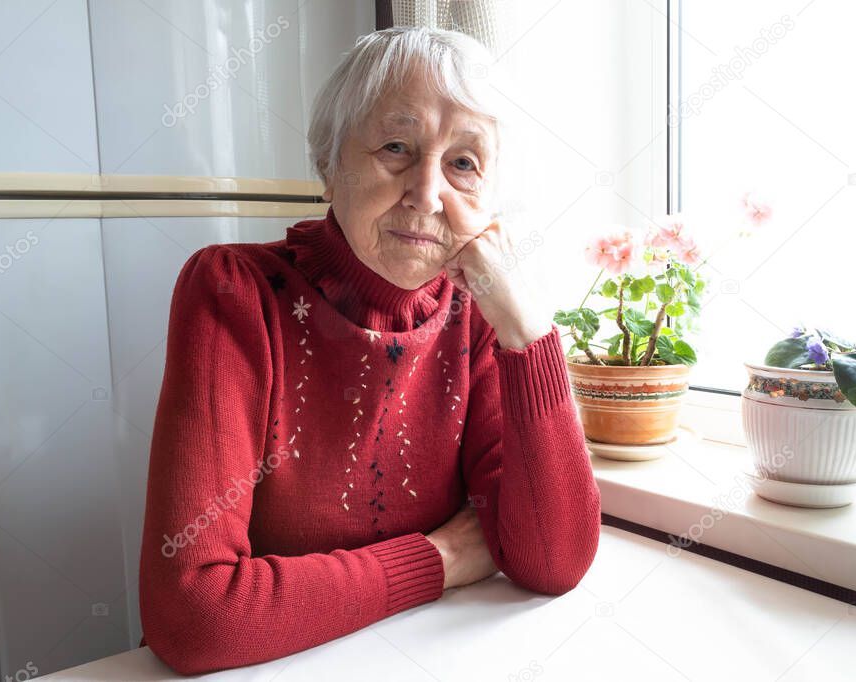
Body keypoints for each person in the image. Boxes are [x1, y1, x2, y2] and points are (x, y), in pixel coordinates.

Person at [138, 26, 601, 675]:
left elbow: (552, 563)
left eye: (463, 163)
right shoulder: (235, 292)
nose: (428, 193)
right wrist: (440, 560)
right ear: (330, 166)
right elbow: (196, 618)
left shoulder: (475, 316)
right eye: (395, 147)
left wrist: (527, 332)